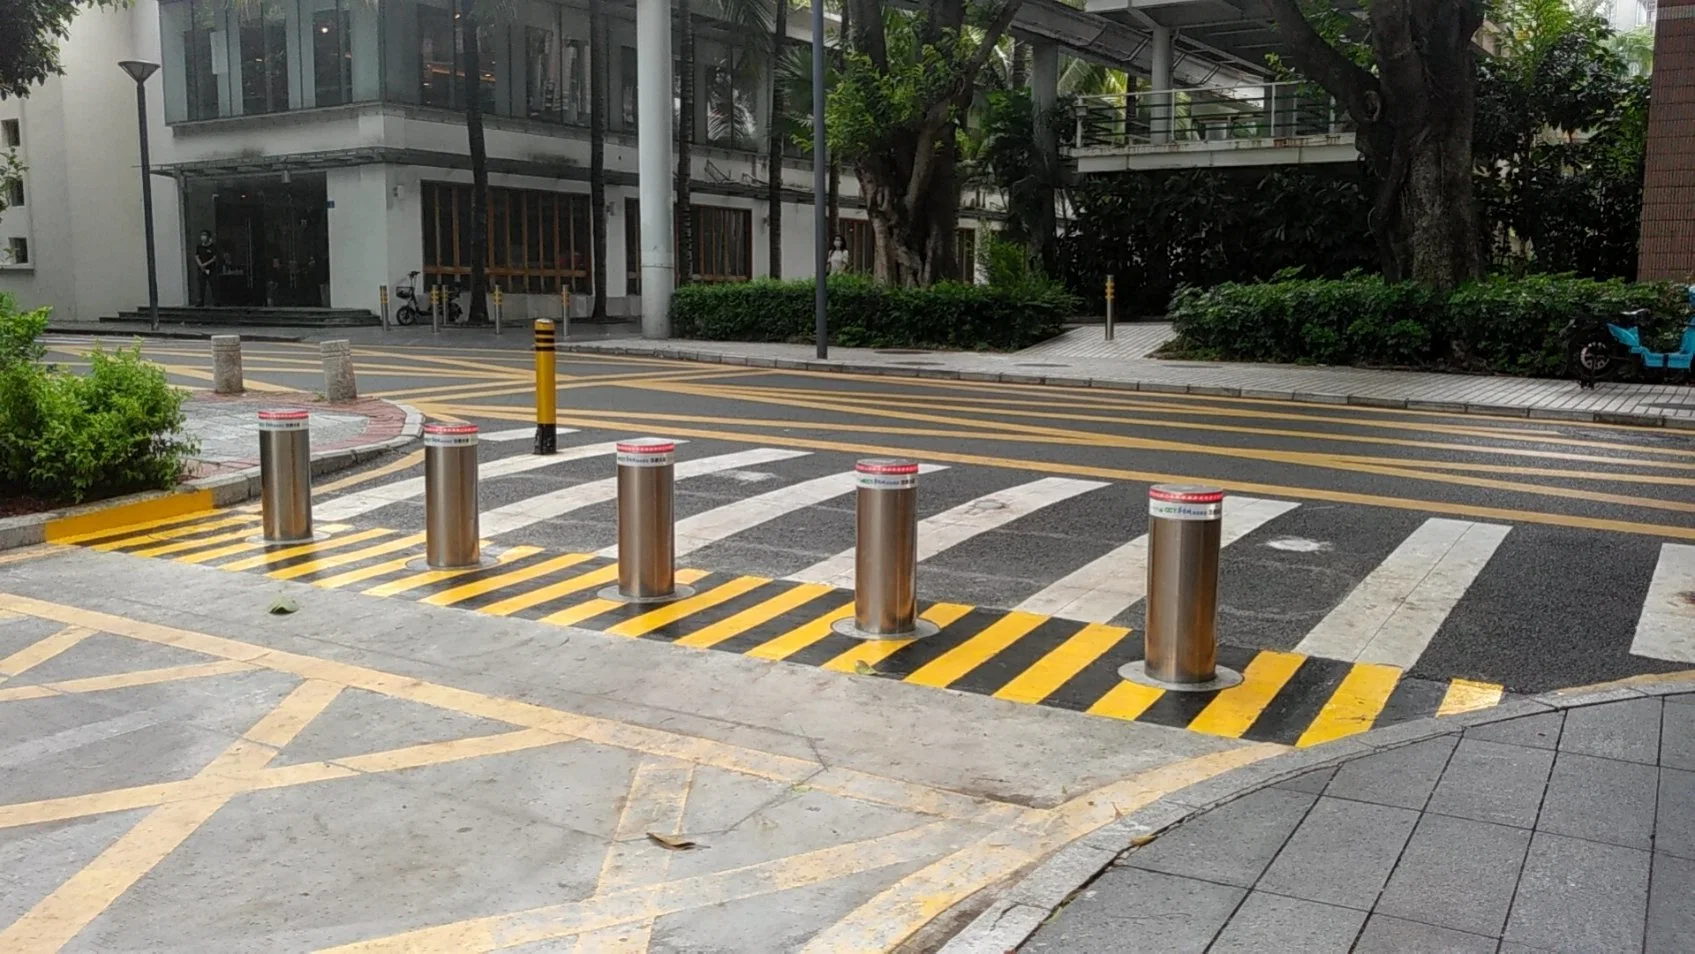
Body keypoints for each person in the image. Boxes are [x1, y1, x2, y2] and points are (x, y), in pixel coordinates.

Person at [193, 231, 219, 306]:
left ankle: (216, 301)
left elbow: (214, 258)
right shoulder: (199, 246)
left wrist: (205, 264)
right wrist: (200, 265)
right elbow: (196, 256)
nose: (203, 237)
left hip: (211, 269)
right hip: (202, 269)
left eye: (205, 235)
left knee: (214, 284)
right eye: (202, 235)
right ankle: (201, 301)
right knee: (201, 285)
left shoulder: (213, 247)